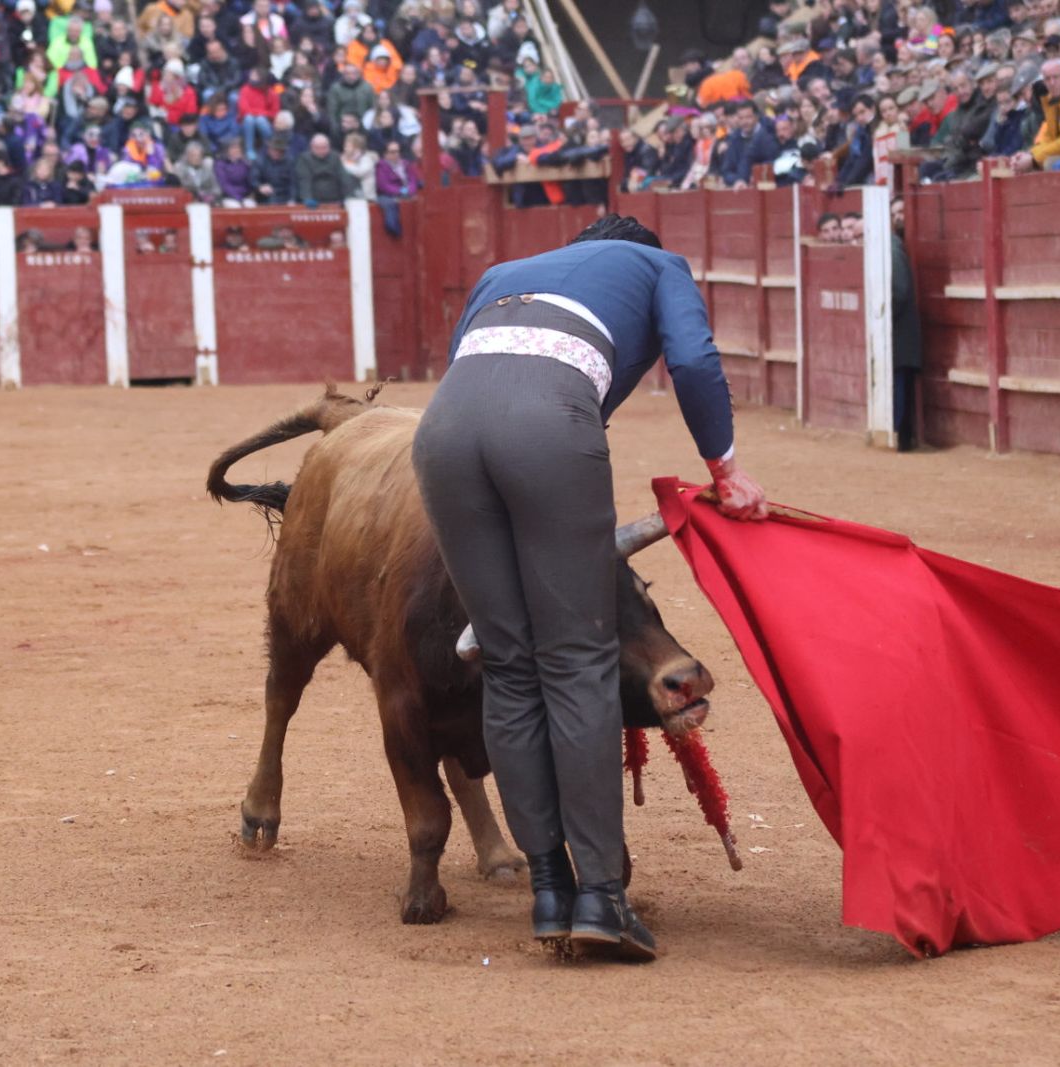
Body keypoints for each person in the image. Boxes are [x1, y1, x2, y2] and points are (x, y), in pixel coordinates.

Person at [410, 214, 767, 963]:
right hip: (546, 428)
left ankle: (549, 891)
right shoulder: (657, 265)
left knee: (510, 665)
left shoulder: (501, 275)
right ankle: (602, 897)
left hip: (442, 431)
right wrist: (726, 470)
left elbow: (471, 377)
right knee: (576, 660)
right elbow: (696, 362)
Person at [890, 198, 922, 451]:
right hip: (900, 333)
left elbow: (899, 293)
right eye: (895, 213)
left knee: (899, 383)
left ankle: (900, 436)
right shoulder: (892, 245)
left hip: (898, 333)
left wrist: (879, 321)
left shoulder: (890, 247)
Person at [295, 132, 353, 204]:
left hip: (335, 198)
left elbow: (343, 176)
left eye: (324, 147)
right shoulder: (304, 159)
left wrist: (348, 196)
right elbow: (305, 180)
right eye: (318, 148)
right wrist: (307, 198)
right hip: (314, 200)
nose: (321, 151)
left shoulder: (335, 157)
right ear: (312, 147)